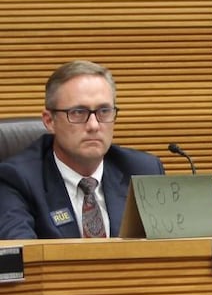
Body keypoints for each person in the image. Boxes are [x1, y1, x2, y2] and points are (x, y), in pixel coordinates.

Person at [0, 60, 165, 239]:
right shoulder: (17, 179)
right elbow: (20, 251)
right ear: (50, 121)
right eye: (78, 112)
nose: (94, 125)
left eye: (104, 111)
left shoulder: (142, 172)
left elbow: (170, 247)